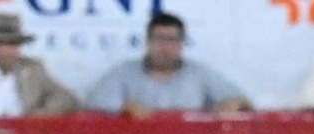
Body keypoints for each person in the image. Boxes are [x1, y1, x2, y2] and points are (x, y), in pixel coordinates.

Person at [85, 12, 250, 117]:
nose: (164, 47)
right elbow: (92, 102)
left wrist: (234, 104)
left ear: (181, 44)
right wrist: (122, 108)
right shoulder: (124, 72)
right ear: (148, 42)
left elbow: (243, 101)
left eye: (171, 40)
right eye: (159, 39)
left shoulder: (199, 74)